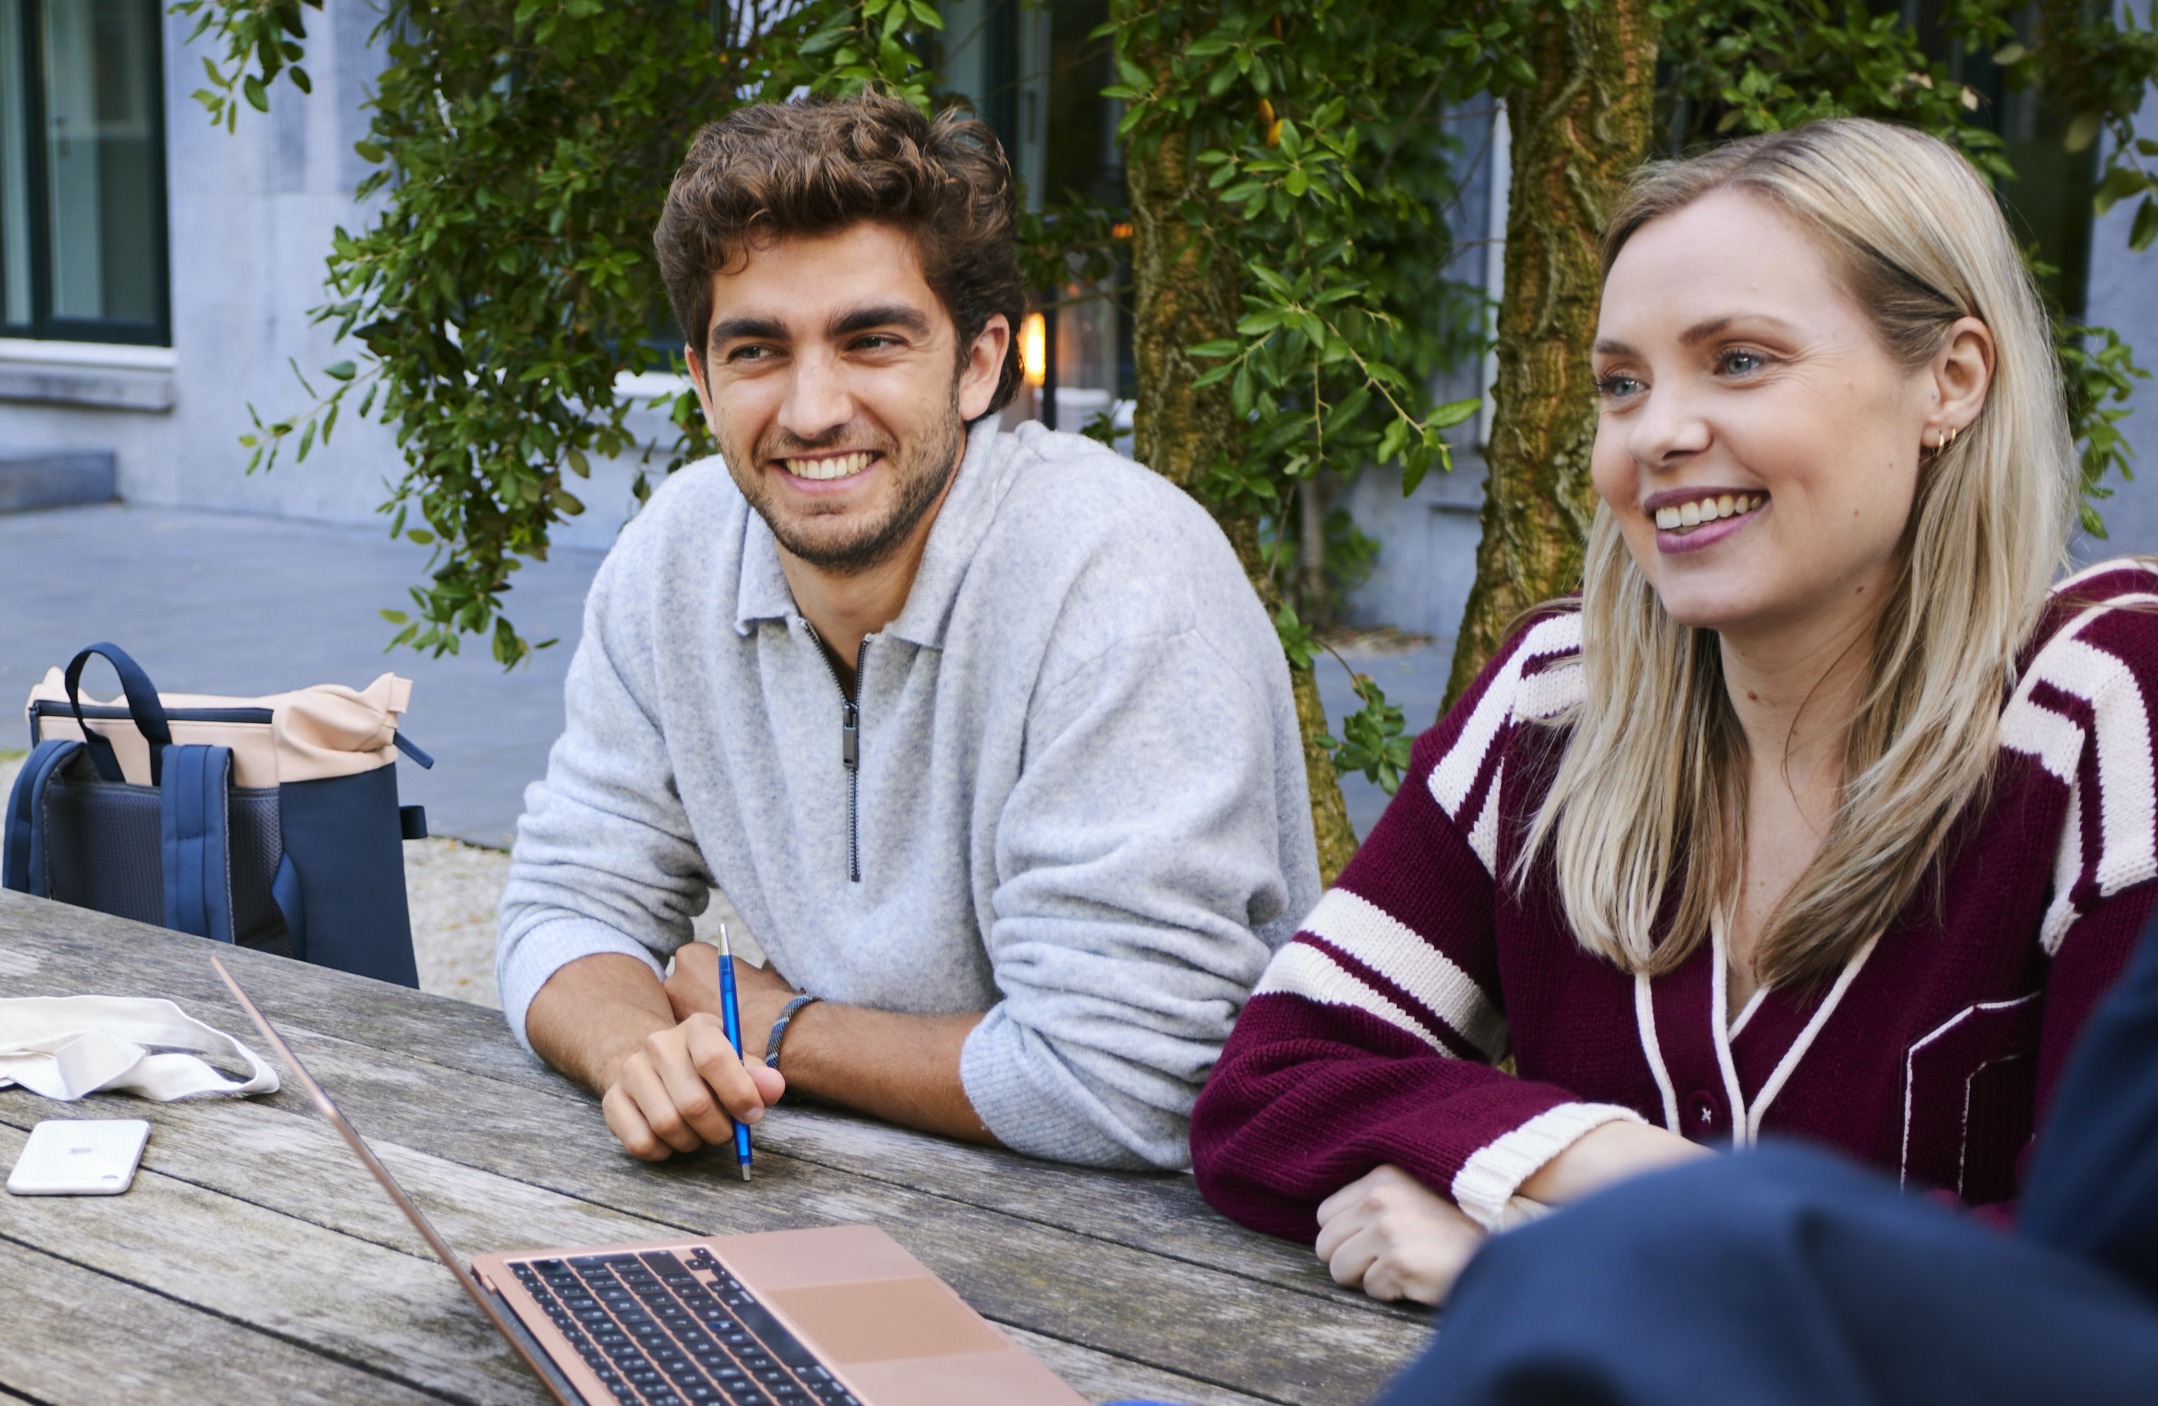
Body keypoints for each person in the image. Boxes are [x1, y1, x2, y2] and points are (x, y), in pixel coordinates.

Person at [1190, 116, 2158, 1302]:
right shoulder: (1558, 697)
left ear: (1949, 380)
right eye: (1620, 384)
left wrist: (1573, 1241)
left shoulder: (2103, 702)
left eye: (1739, 359)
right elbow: (1270, 1084)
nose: (1657, 433)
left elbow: (2104, 1281)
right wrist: (1641, 1180)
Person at [499, 94, 1320, 1171]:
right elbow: (566, 899)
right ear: (699, 380)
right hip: (819, 1189)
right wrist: (640, 1053)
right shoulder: (677, 556)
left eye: (871, 340)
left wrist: (780, 1026)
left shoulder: (1116, 574)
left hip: (1148, 1259)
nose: (810, 409)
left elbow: (1132, 1079)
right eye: (756, 351)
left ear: (978, 365)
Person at [1371, 899, 2158, 1405]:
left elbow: (2078, 1293)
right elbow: (1281, 1061)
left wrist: (1551, 1242)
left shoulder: (2110, 703)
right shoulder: (1550, 689)